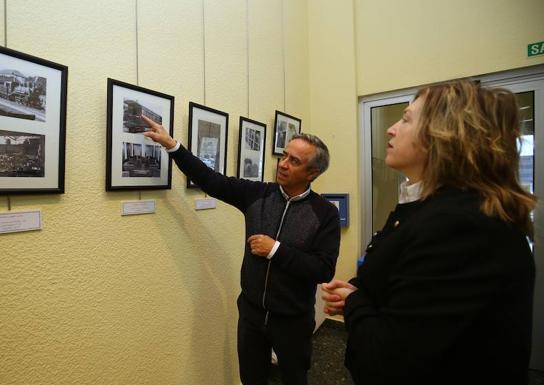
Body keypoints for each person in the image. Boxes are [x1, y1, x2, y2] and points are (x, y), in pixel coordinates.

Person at [321, 80, 536, 385]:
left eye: (407, 119)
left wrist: (354, 302)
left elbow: (390, 362)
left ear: (446, 135)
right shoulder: (428, 208)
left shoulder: (463, 226)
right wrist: (357, 291)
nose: (391, 129)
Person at [142, 115, 341, 385]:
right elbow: (211, 181)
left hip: (293, 320)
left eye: (294, 161)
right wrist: (172, 145)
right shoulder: (258, 194)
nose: (283, 164)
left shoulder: (325, 213)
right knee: (251, 379)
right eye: (284, 156)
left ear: (312, 173)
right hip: (251, 315)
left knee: (295, 379)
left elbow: (323, 270)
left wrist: (276, 250)